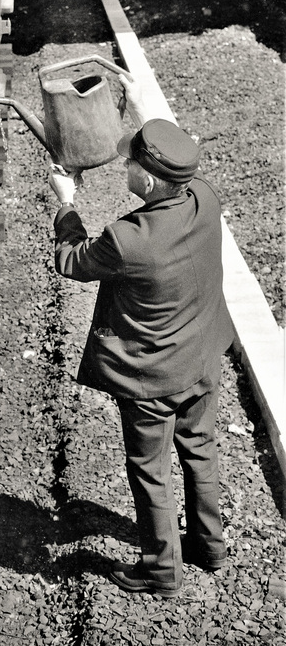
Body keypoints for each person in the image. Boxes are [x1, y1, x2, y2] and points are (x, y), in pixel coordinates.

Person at [48, 70, 234, 598]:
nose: (125, 165)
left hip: (152, 378)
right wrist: (139, 112)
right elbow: (173, 151)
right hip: (201, 358)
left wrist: (66, 204)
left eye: (131, 161)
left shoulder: (128, 240)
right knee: (200, 449)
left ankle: (160, 570)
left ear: (148, 182)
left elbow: (70, 260)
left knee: (150, 470)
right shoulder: (203, 195)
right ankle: (209, 546)